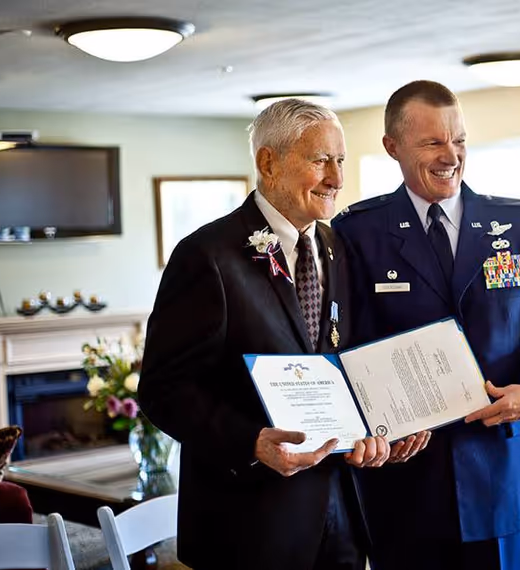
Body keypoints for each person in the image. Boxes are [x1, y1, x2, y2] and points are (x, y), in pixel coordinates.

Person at [138, 99, 420, 569]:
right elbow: (162, 390)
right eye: (321, 160)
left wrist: (377, 427)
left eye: (341, 160)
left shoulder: (337, 247)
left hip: (341, 516)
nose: (337, 178)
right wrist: (251, 442)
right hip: (248, 523)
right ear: (268, 163)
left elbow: (345, 358)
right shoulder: (206, 255)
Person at [332, 80, 520, 570]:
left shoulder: (518, 223)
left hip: (501, 469)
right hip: (403, 477)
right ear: (393, 147)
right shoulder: (357, 232)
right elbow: (344, 347)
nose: (451, 156)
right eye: (432, 142)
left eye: (460, 140)